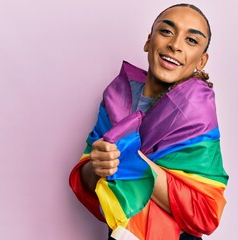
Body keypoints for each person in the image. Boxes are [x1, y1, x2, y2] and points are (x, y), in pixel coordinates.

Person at [69, 3, 229, 240]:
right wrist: (98, 164)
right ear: (148, 41)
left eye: (191, 41)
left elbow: (205, 213)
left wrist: (132, 160)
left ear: (201, 61)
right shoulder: (117, 96)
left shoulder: (196, 112)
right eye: (166, 31)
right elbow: (89, 181)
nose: (175, 45)